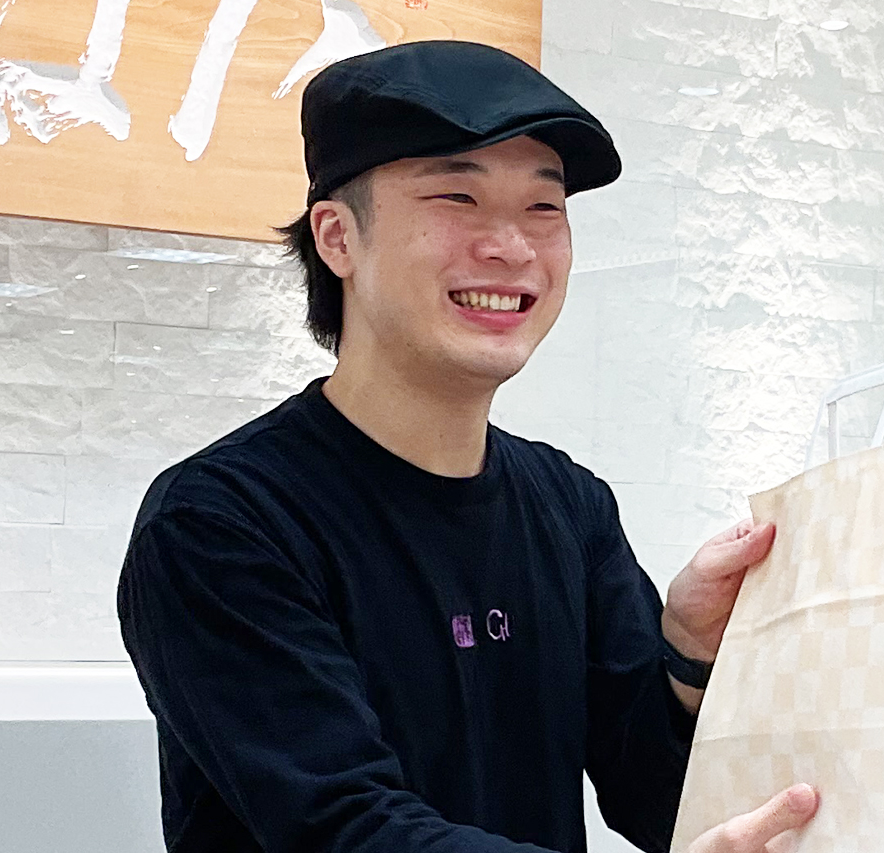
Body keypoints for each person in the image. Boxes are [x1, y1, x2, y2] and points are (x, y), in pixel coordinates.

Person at [117, 40, 818, 853]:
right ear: (338, 238)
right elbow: (344, 828)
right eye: (458, 196)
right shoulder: (220, 523)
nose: (512, 248)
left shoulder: (570, 505)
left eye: (544, 207)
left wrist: (689, 652)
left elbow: (660, 799)